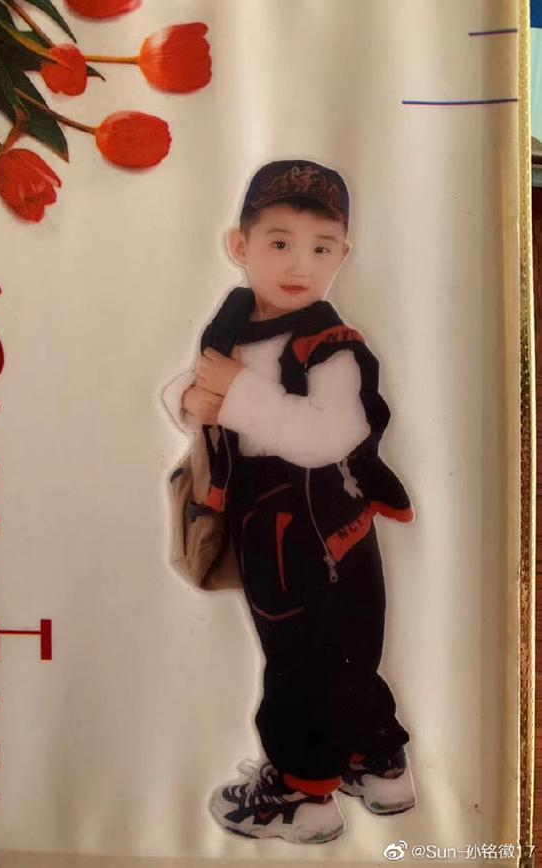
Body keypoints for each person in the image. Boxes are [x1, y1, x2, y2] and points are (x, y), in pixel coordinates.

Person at [162, 160, 416, 845]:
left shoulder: (332, 347)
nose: (300, 263)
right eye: (279, 242)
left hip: (318, 531)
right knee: (337, 654)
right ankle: (374, 762)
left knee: (310, 658)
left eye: (321, 247)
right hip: (266, 525)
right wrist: (194, 399)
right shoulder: (235, 325)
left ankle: (303, 795)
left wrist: (233, 396)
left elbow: (328, 436)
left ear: (343, 256)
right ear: (240, 246)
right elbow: (199, 386)